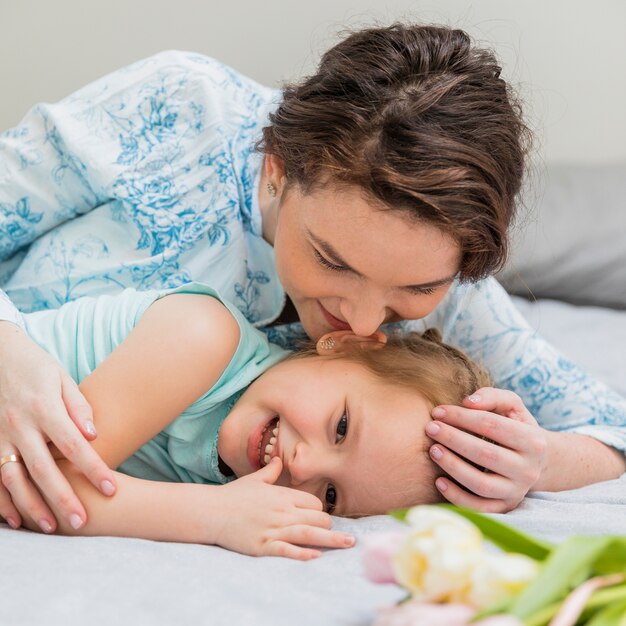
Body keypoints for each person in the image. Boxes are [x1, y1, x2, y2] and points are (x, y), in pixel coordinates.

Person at [0, 23, 625, 535]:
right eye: (332, 261)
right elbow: (54, 488)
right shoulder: (184, 109)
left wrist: (535, 461)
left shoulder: (446, 306)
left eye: (414, 293)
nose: (362, 322)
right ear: (276, 170)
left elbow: (613, 431)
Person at [11, 281, 623, 558]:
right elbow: (48, 491)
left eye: (330, 496)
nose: (301, 466)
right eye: (340, 428)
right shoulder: (202, 337)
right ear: (346, 345)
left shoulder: (244, 473)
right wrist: (213, 519)